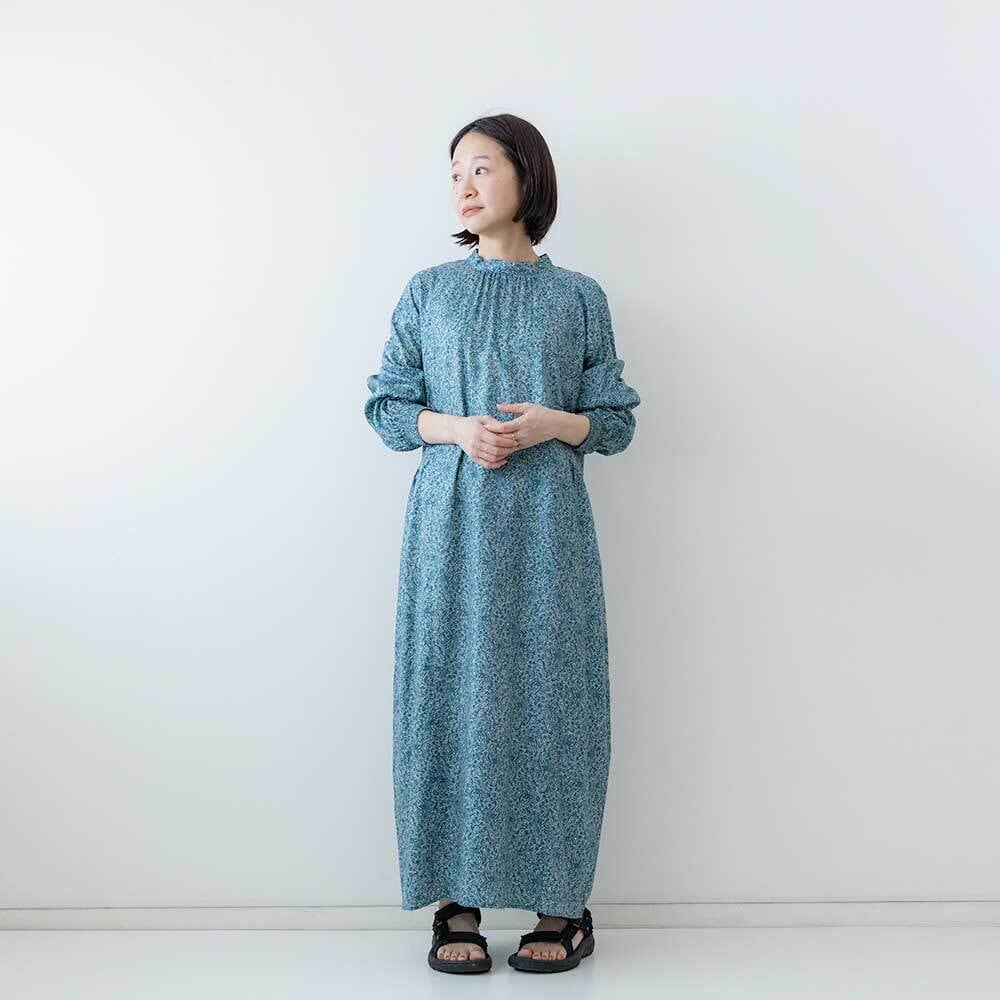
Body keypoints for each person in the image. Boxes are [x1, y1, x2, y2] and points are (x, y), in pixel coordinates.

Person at [364, 113, 641, 975]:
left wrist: (559, 423)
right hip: (448, 529)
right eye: (455, 173)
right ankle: (456, 898)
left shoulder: (578, 297)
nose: (465, 185)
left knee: (553, 701)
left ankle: (563, 903)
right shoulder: (428, 291)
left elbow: (616, 421)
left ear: (528, 175)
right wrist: (455, 429)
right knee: (448, 694)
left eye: (482, 168)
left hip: (547, 532)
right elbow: (387, 405)